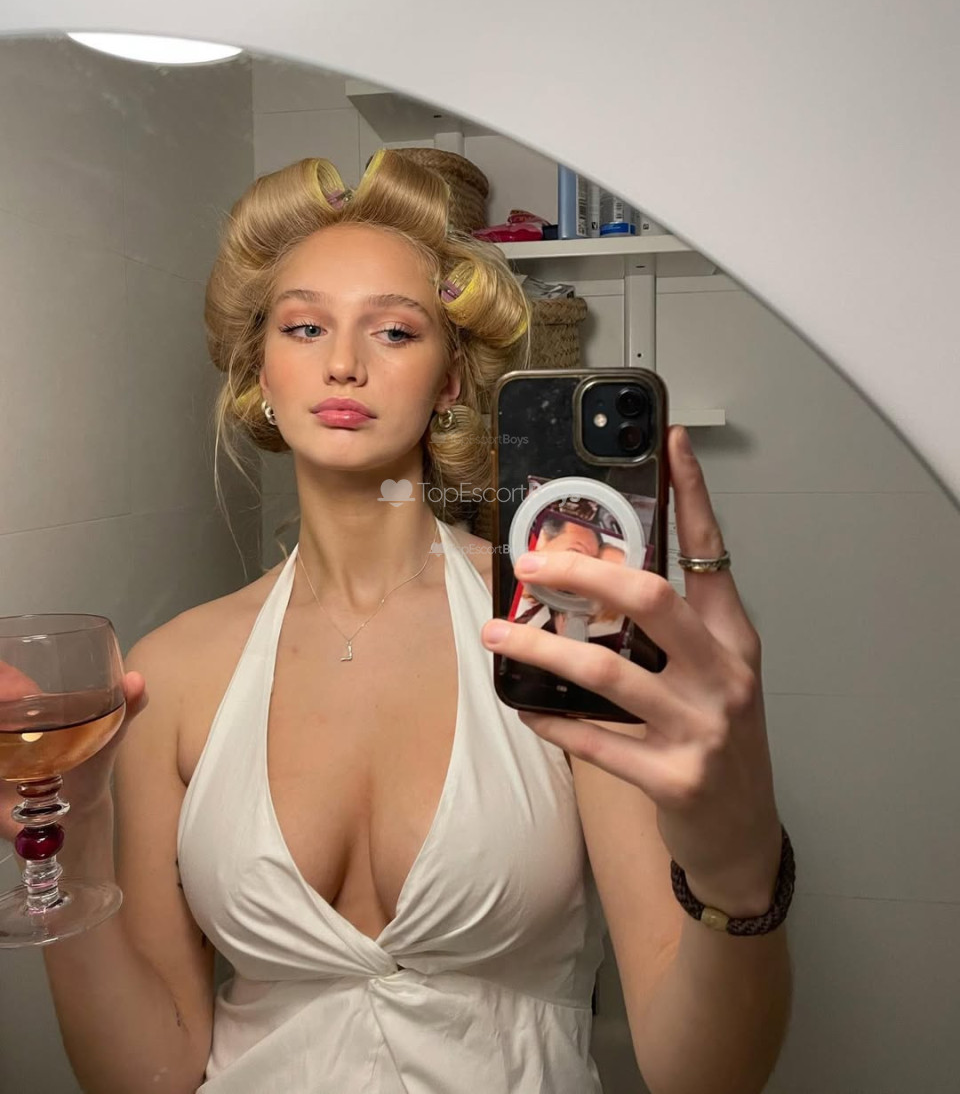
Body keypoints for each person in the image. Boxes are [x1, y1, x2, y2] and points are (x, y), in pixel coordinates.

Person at [1, 149, 794, 1093]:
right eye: (304, 327)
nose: (343, 363)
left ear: (451, 380)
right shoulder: (169, 673)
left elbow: (702, 1077)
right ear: (262, 370)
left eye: (393, 331)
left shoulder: (557, 636)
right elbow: (148, 1075)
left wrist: (740, 861)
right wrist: (68, 841)